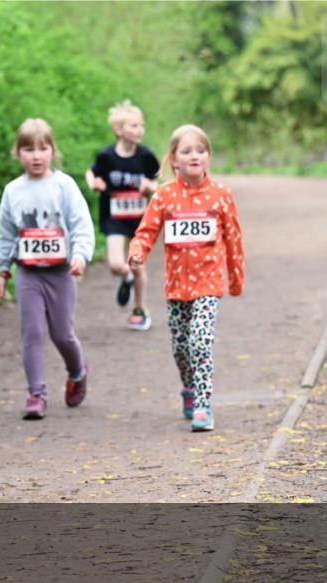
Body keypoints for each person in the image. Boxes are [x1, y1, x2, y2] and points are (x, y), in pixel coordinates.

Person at [128, 124, 245, 431]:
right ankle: (189, 388)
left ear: (208, 157)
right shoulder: (164, 196)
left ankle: (204, 405)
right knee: (181, 349)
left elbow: (233, 239)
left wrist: (235, 279)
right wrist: (138, 251)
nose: (195, 156)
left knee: (201, 342)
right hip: (177, 287)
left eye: (201, 150)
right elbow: (146, 231)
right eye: (187, 151)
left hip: (208, 284)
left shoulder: (221, 196)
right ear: (174, 159)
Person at [0, 118, 94, 419]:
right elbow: (7, 233)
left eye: (43, 148)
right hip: (29, 273)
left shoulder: (64, 186)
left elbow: (80, 225)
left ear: (53, 151)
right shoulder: (13, 191)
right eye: (28, 149)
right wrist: (3, 270)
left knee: (62, 334)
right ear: (18, 153)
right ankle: (36, 393)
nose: (36, 155)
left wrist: (80, 256)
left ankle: (77, 371)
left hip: (60, 272)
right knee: (32, 332)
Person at [86, 100, 160, 330]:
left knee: (139, 264)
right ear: (119, 130)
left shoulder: (146, 155)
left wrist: (151, 187)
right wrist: (94, 183)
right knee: (116, 263)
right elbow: (91, 173)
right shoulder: (107, 156)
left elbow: (158, 180)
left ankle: (139, 310)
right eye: (134, 126)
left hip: (139, 219)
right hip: (114, 217)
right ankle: (126, 277)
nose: (139, 130)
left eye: (141, 125)